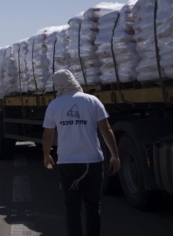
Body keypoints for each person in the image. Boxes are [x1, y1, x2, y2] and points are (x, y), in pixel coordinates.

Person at [42, 69, 120, 236]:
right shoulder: (92, 101)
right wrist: (115, 155)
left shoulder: (54, 105)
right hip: (92, 162)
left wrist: (46, 155)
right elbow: (106, 129)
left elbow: (48, 135)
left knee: (72, 209)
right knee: (93, 207)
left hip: (67, 163)